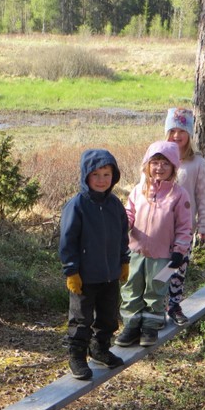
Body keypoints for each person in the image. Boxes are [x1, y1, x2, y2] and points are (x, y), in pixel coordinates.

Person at [59, 148, 130, 380]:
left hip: (109, 274)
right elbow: (68, 240)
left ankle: (100, 349)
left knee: (108, 317)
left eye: (106, 174)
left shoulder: (115, 205)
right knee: (81, 319)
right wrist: (71, 271)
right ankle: (77, 356)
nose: (101, 180)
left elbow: (122, 235)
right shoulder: (77, 205)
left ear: (114, 176)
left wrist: (124, 261)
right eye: (96, 175)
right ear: (86, 176)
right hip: (84, 276)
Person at [116, 140, 192, 347]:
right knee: (131, 288)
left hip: (164, 255)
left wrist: (179, 251)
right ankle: (131, 326)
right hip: (135, 252)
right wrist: (122, 226)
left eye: (166, 163)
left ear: (174, 168)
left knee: (156, 290)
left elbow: (184, 227)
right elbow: (129, 214)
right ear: (147, 165)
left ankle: (150, 326)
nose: (160, 167)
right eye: (155, 162)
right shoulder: (138, 190)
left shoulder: (179, 195)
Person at [163, 107, 205, 326]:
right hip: (159, 226)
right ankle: (155, 308)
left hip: (184, 228)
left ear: (190, 134)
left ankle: (174, 305)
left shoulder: (197, 163)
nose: (177, 135)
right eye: (172, 131)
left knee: (178, 268)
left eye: (181, 131)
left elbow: (204, 196)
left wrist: (204, 225)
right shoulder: (160, 158)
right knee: (158, 269)